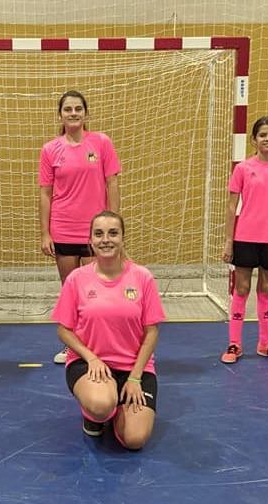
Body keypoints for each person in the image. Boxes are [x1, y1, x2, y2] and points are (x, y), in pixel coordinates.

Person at [52, 211, 165, 450]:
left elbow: (152, 332)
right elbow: (64, 330)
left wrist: (135, 377)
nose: (106, 239)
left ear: (123, 238)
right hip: (90, 364)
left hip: (133, 368)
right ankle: (97, 413)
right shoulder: (76, 279)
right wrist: (91, 358)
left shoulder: (143, 277)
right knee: (101, 404)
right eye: (99, 234)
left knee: (134, 440)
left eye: (113, 233)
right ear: (90, 240)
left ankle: (117, 410)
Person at [40, 90, 121, 364]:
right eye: (68, 109)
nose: (73, 113)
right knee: (71, 291)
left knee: (96, 291)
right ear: (60, 115)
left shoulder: (101, 143)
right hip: (63, 228)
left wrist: (112, 225)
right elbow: (45, 194)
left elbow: (112, 184)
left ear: (86, 113)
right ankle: (72, 347)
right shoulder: (50, 149)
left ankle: (98, 344)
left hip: (94, 233)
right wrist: (45, 233)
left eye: (78, 109)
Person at [220, 116, 268, 364]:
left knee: (266, 290)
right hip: (245, 238)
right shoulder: (243, 169)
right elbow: (231, 207)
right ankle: (234, 344)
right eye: (262, 135)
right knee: (241, 289)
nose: (267, 139)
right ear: (254, 139)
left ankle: (266, 343)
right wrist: (229, 241)